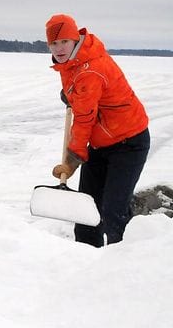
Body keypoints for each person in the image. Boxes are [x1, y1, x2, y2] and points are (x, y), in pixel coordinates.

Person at [45, 14, 149, 247]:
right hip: (101, 144)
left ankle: (127, 261)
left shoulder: (90, 69)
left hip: (128, 143)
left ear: (74, 39)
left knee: (113, 212)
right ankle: (87, 262)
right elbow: (84, 96)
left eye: (63, 41)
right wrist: (73, 95)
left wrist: (72, 161)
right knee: (86, 212)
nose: (59, 48)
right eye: (53, 43)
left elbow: (84, 119)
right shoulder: (73, 61)